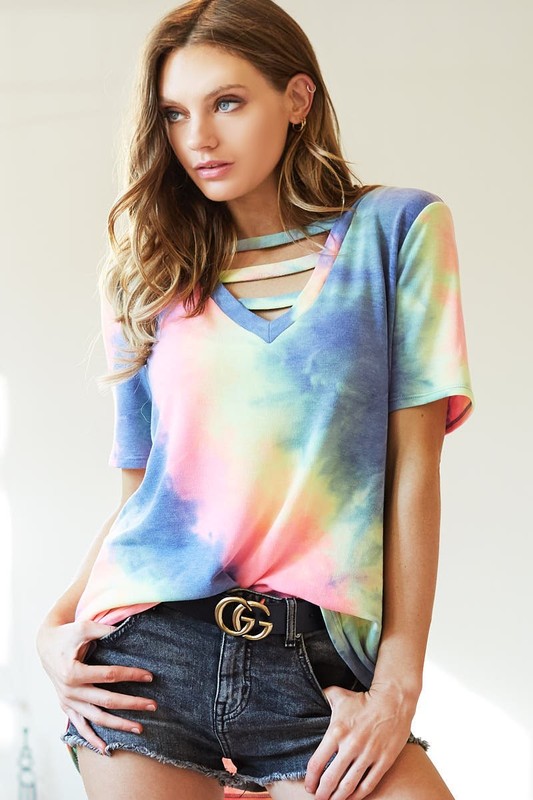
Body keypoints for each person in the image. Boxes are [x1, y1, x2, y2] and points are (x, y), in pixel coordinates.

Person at [37, 1, 474, 798]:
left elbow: (415, 468)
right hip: (149, 657)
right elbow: (143, 491)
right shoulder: (146, 271)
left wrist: (396, 686)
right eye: (175, 114)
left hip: (316, 666)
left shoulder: (398, 230)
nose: (198, 137)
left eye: (227, 102)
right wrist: (53, 627)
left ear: (296, 99)